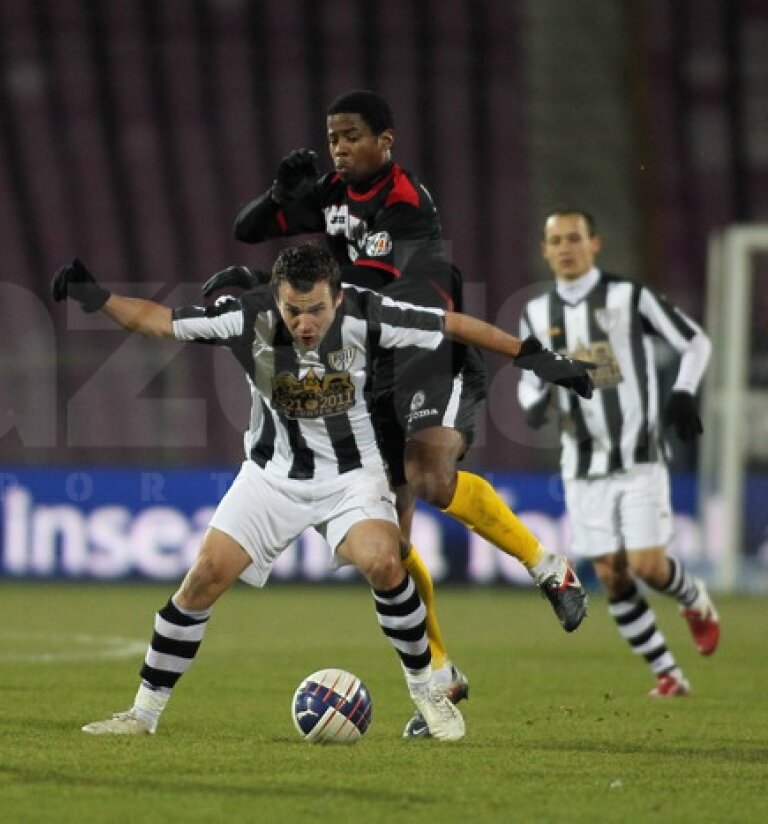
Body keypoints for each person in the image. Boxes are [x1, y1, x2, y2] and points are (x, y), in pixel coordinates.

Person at [51, 242, 594, 741]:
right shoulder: (246, 317)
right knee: (203, 578)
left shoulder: (368, 313)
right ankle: (142, 713)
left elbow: (452, 324)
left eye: (315, 310)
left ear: (337, 297)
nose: (305, 323)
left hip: (350, 476)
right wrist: (96, 298)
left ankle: (428, 690)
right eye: (293, 311)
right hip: (271, 476)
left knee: (385, 562)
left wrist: (535, 357)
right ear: (276, 298)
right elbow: (158, 321)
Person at [206, 88, 589, 736]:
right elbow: (248, 229)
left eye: (352, 136)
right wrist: (277, 197)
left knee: (430, 476)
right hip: (375, 367)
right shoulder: (332, 192)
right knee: (390, 544)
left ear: (386, 142)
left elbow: (373, 292)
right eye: (333, 137)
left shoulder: (404, 201)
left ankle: (548, 567)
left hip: (430, 351)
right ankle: (440, 674)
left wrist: (532, 356)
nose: (339, 148)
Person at [518, 208, 720, 697]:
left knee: (648, 565)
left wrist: (683, 391)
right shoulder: (536, 313)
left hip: (638, 455)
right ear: (544, 251)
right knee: (611, 573)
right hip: (581, 464)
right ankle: (667, 673)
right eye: (556, 241)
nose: (565, 248)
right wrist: (534, 401)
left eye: (574, 238)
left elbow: (695, 342)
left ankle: (694, 599)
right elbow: (528, 379)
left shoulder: (629, 297)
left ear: (595, 244)